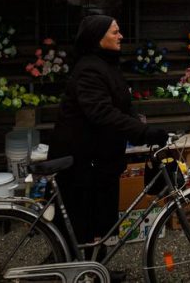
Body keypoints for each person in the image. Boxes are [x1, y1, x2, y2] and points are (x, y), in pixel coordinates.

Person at [48, 15, 168, 246]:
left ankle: (94, 263)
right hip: (83, 162)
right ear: (97, 38)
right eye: (115, 32)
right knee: (81, 227)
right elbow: (102, 113)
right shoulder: (89, 70)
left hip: (100, 159)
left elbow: (121, 104)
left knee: (98, 227)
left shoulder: (106, 65)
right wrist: (143, 133)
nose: (121, 36)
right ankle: (74, 264)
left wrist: (140, 127)